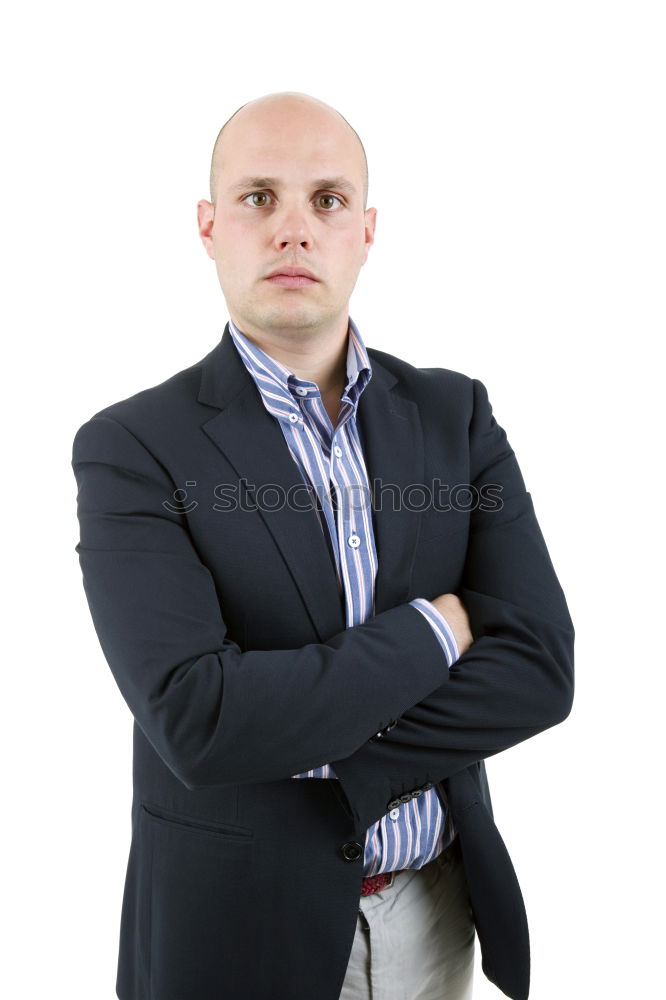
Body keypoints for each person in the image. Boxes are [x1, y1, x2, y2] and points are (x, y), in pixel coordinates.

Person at [71, 91, 575, 1000]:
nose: (294, 229)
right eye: (259, 197)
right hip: (239, 936)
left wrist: (326, 742)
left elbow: (541, 667)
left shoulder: (456, 416)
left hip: (438, 918)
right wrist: (434, 632)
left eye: (328, 201)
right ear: (209, 225)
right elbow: (200, 720)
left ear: (368, 230)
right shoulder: (132, 447)